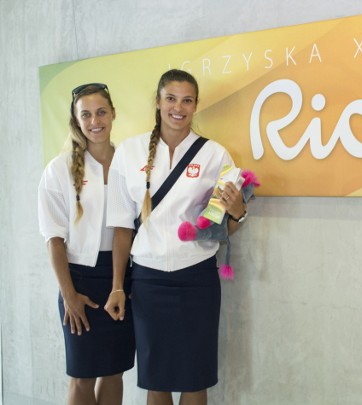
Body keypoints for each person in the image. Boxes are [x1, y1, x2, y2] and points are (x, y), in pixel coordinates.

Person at [104, 69, 247, 405]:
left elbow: (222, 228)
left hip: (197, 277)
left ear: (196, 105)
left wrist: (239, 211)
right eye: (170, 98)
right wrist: (117, 285)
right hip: (148, 282)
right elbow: (122, 229)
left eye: (187, 100)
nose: (178, 107)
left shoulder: (215, 155)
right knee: (158, 380)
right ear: (158, 101)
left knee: (195, 380)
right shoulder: (129, 151)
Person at [38, 83, 135, 405]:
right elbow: (54, 240)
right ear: (76, 120)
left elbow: (127, 229)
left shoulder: (130, 164)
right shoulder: (59, 169)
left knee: (114, 371)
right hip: (77, 280)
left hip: (121, 279)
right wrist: (69, 296)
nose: (95, 120)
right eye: (86, 114)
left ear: (113, 114)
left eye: (101, 112)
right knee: (81, 375)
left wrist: (119, 284)